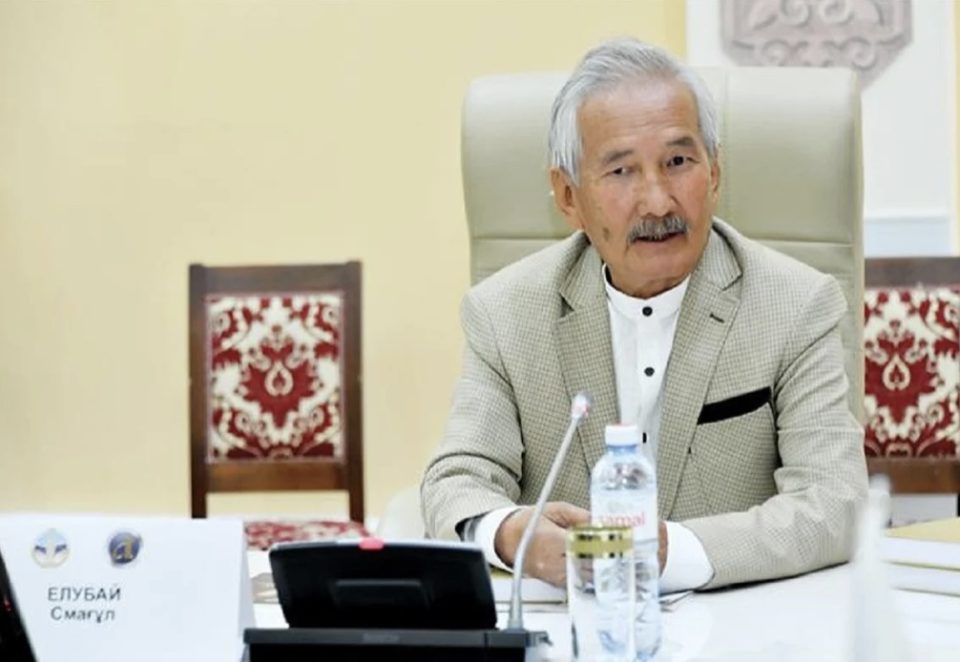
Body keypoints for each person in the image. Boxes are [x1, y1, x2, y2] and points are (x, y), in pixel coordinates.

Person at [420, 37, 868, 592]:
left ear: (715, 172)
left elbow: (835, 502)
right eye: (621, 171)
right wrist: (513, 534)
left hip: (741, 618)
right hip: (574, 623)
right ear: (568, 196)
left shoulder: (796, 304)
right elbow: (456, 483)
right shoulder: (504, 313)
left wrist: (666, 554)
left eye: (678, 162)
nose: (657, 202)